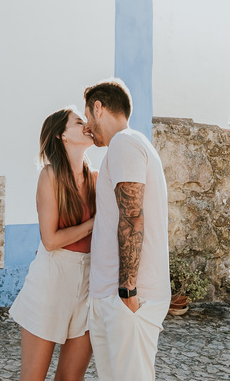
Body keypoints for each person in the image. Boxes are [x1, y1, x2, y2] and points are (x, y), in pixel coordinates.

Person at [82, 79, 170, 381]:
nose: (87, 127)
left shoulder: (125, 142)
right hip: (115, 295)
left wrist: (128, 290)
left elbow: (132, 216)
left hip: (130, 297)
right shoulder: (126, 146)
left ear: (98, 108)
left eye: (87, 118)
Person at [9, 108, 98, 381]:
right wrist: (93, 223)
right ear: (62, 135)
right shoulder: (50, 176)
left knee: (71, 378)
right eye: (79, 122)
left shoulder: (95, 178)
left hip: (88, 282)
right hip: (51, 279)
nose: (87, 125)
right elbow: (50, 240)